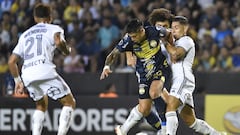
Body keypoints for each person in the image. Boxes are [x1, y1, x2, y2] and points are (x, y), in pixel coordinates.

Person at [8, 4, 76, 135]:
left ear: (35, 18)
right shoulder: (54, 28)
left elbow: (11, 62)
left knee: (41, 104)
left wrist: (18, 81)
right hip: (44, 70)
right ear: (50, 17)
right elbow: (58, 41)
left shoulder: (25, 35)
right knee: (69, 102)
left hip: (27, 74)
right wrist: (66, 51)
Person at [100, 18, 171, 135]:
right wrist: (106, 66)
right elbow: (112, 54)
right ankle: (125, 129)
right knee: (144, 109)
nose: (132, 39)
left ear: (142, 31)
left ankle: (165, 128)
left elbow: (169, 33)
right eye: (130, 36)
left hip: (160, 68)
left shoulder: (154, 31)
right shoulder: (128, 40)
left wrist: (171, 48)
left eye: (134, 36)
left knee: (154, 92)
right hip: (143, 74)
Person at [164, 16, 226, 135]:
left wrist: (165, 42)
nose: (174, 30)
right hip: (179, 80)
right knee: (191, 121)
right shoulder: (173, 43)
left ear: (185, 28)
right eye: (172, 28)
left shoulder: (186, 40)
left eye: (177, 27)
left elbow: (176, 55)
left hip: (183, 78)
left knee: (170, 106)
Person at [123, 8, 174, 135]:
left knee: (172, 107)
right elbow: (127, 39)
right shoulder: (146, 38)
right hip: (151, 77)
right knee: (145, 109)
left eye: (166, 26)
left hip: (169, 77)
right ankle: (162, 130)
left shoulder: (173, 40)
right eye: (159, 26)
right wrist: (129, 55)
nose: (163, 29)